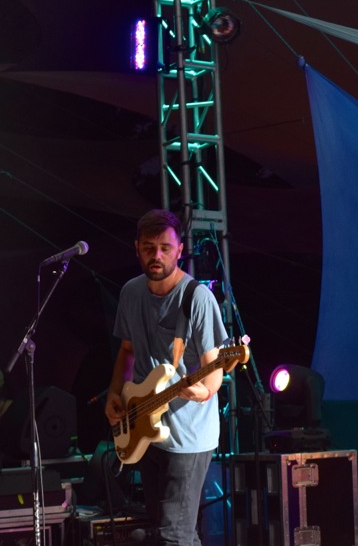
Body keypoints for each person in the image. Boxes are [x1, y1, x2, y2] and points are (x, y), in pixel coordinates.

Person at [105, 209, 227, 545]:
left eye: (165, 247)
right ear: (137, 248)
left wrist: (202, 392)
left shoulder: (197, 298)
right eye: (148, 247)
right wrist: (115, 393)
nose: (156, 255)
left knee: (174, 535)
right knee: (167, 531)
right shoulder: (130, 293)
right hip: (146, 428)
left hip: (188, 437)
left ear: (179, 248)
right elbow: (128, 350)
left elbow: (214, 371)